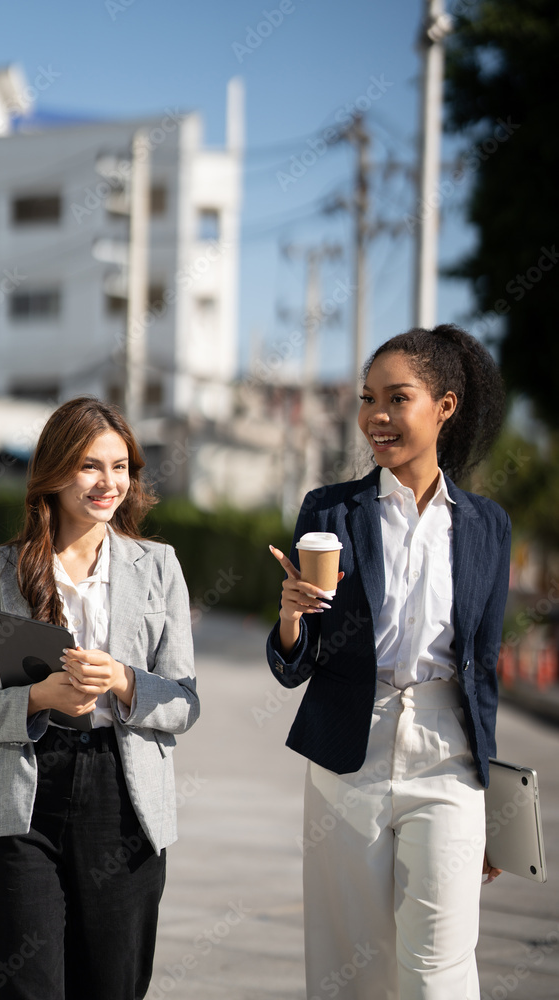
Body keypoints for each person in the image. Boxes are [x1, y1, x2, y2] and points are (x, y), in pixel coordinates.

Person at [267, 324, 510, 1000]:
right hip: (350, 746)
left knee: (438, 971)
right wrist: (290, 617)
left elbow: (482, 668)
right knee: (350, 967)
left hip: (448, 756)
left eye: (396, 397)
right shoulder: (329, 512)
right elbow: (294, 662)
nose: (375, 416)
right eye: (366, 398)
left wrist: (488, 801)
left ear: (444, 406)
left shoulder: (486, 525)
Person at [0, 396, 199, 1000]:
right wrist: (37, 698)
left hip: (124, 794)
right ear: (54, 473)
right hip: (22, 796)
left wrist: (124, 681)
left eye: (121, 466)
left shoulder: (159, 567)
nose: (109, 482)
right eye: (90, 466)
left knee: (112, 986)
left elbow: (185, 702)